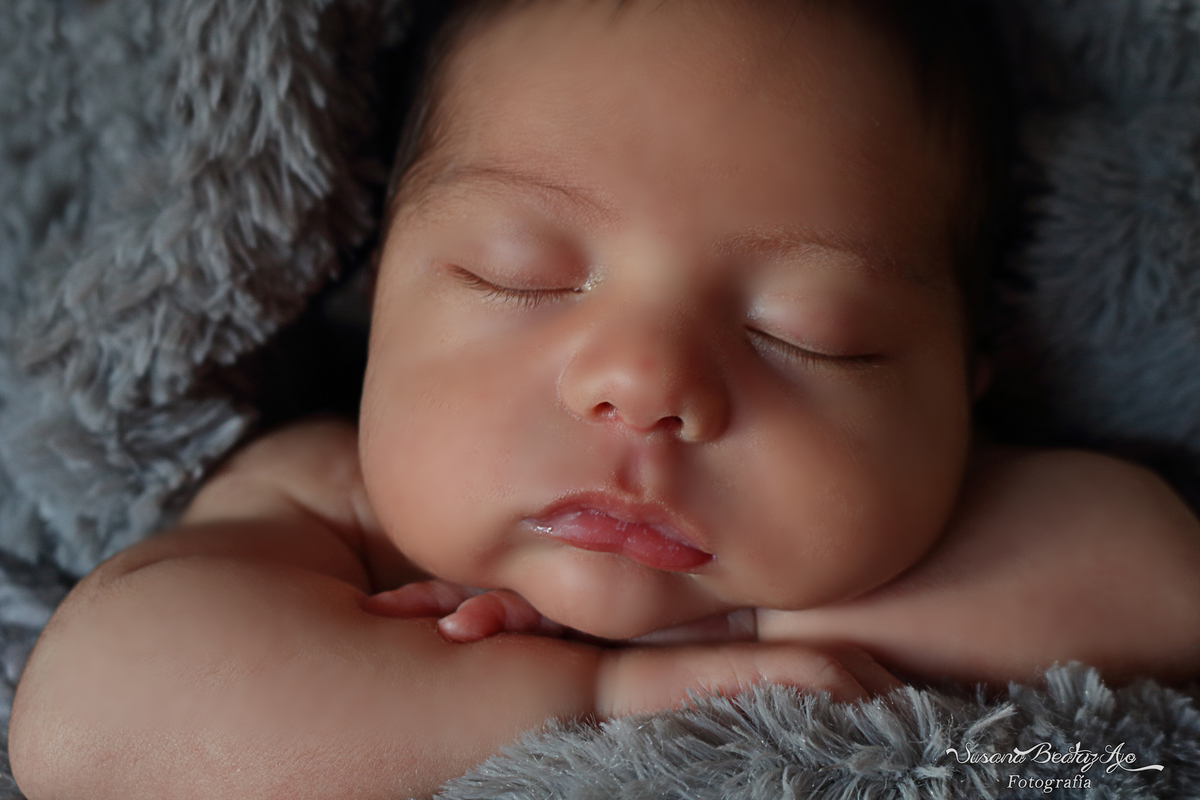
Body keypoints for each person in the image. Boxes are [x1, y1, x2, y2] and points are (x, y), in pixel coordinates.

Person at [10, 0, 1200, 797]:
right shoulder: (326, 502)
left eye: (812, 337)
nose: (643, 381)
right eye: (517, 275)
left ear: (961, 392)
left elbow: (1158, 585)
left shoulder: (947, 520)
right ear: (376, 304)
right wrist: (602, 691)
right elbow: (93, 729)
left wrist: (752, 635)